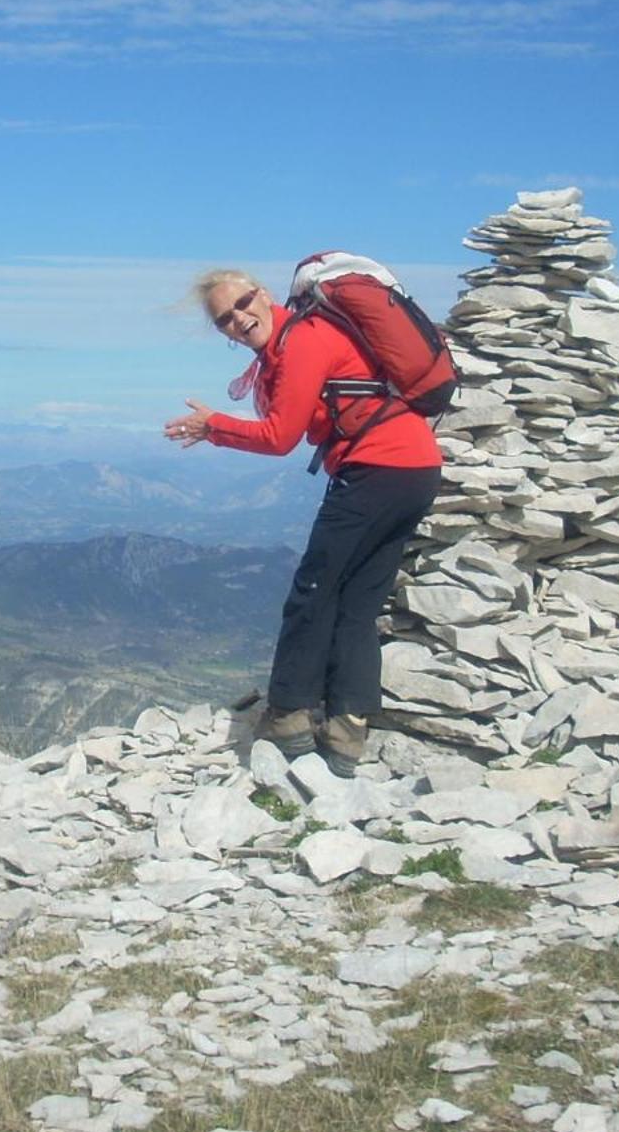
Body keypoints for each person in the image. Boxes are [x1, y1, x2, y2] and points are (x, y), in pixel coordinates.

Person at [164, 268, 442, 777]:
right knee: (356, 601)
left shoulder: (303, 341)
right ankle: (346, 732)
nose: (239, 319)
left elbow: (280, 436)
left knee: (313, 590)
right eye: (225, 318)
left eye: (244, 303)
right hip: (413, 469)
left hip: (379, 468)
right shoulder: (292, 343)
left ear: (264, 295)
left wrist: (214, 426)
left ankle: (289, 717)